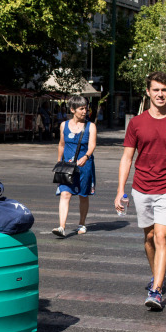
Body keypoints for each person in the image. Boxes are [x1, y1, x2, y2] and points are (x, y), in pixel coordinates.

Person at [115, 72, 166, 311]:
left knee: (162, 238)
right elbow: (127, 158)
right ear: (148, 92)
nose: (160, 94)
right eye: (156, 90)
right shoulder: (137, 123)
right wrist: (120, 190)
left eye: (165, 90)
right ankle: (156, 276)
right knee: (148, 238)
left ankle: (157, 290)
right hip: (142, 189)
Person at [52, 95, 97, 238]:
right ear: (73, 109)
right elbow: (61, 144)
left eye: (86, 108)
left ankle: (82, 223)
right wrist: (59, 161)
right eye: (81, 109)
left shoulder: (91, 126)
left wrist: (86, 156)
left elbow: (92, 145)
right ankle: (61, 227)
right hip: (67, 166)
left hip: (85, 165)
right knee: (65, 194)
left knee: (83, 195)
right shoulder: (64, 125)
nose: (85, 111)